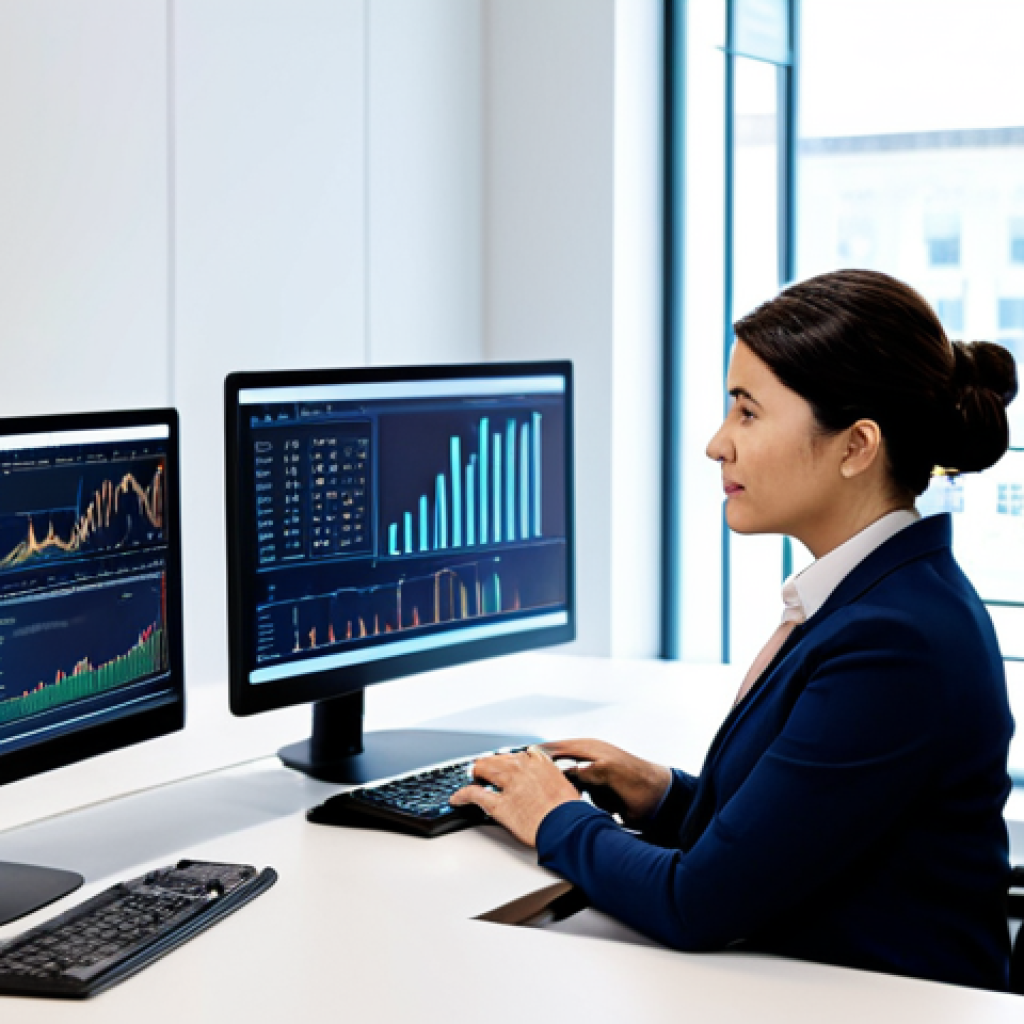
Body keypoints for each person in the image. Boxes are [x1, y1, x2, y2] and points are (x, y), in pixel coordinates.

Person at [451, 268, 1019, 991]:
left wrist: (554, 816)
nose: (718, 445)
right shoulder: (883, 598)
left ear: (856, 446)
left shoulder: (896, 641)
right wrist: (664, 795)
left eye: (748, 413)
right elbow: (801, 837)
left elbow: (698, 902)